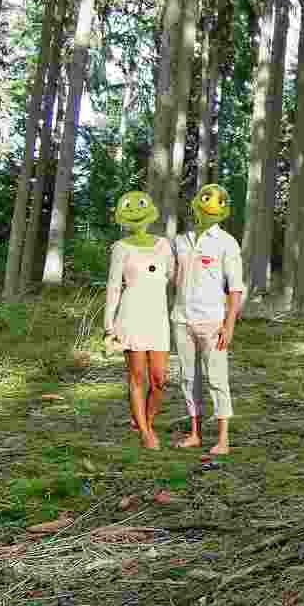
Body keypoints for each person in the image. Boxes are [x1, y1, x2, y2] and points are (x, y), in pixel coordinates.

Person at [172, 184, 244, 455]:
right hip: (181, 319)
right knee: (188, 378)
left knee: (217, 378)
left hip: (212, 322)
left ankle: (224, 439)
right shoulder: (181, 240)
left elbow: (235, 289)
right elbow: (170, 277)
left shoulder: (227, 243)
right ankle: (195, 434)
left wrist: (229, 325)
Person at [105, 191, 174, 449]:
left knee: (159, 379)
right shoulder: (121, 248)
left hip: (157, 317)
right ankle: (146, 433)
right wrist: (108, 326)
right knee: (137, 376)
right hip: (131, 316)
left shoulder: (163, 245)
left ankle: (146, 418)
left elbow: (172, 274)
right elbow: (113, 287)